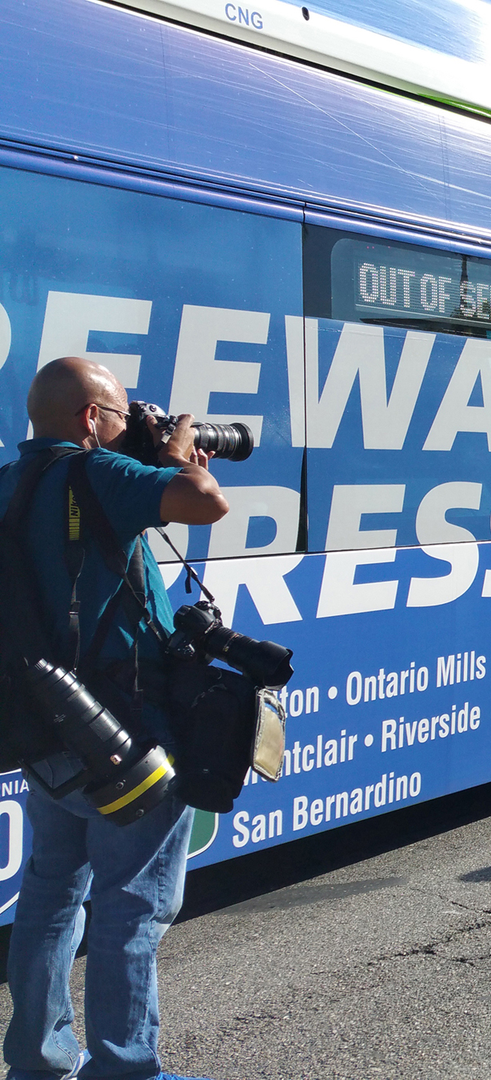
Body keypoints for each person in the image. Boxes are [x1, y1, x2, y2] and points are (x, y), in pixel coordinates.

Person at [0, 357, 229, 1080]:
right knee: (131, 905)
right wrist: (175, 451)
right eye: (123, 414)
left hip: (49, 725)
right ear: (90, 419)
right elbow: (206, 501)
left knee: (49, 896)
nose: (133, 424)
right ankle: (126, 1070)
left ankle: (38, 1062)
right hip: (128, 729)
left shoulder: (11, 481)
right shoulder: (98, 476)